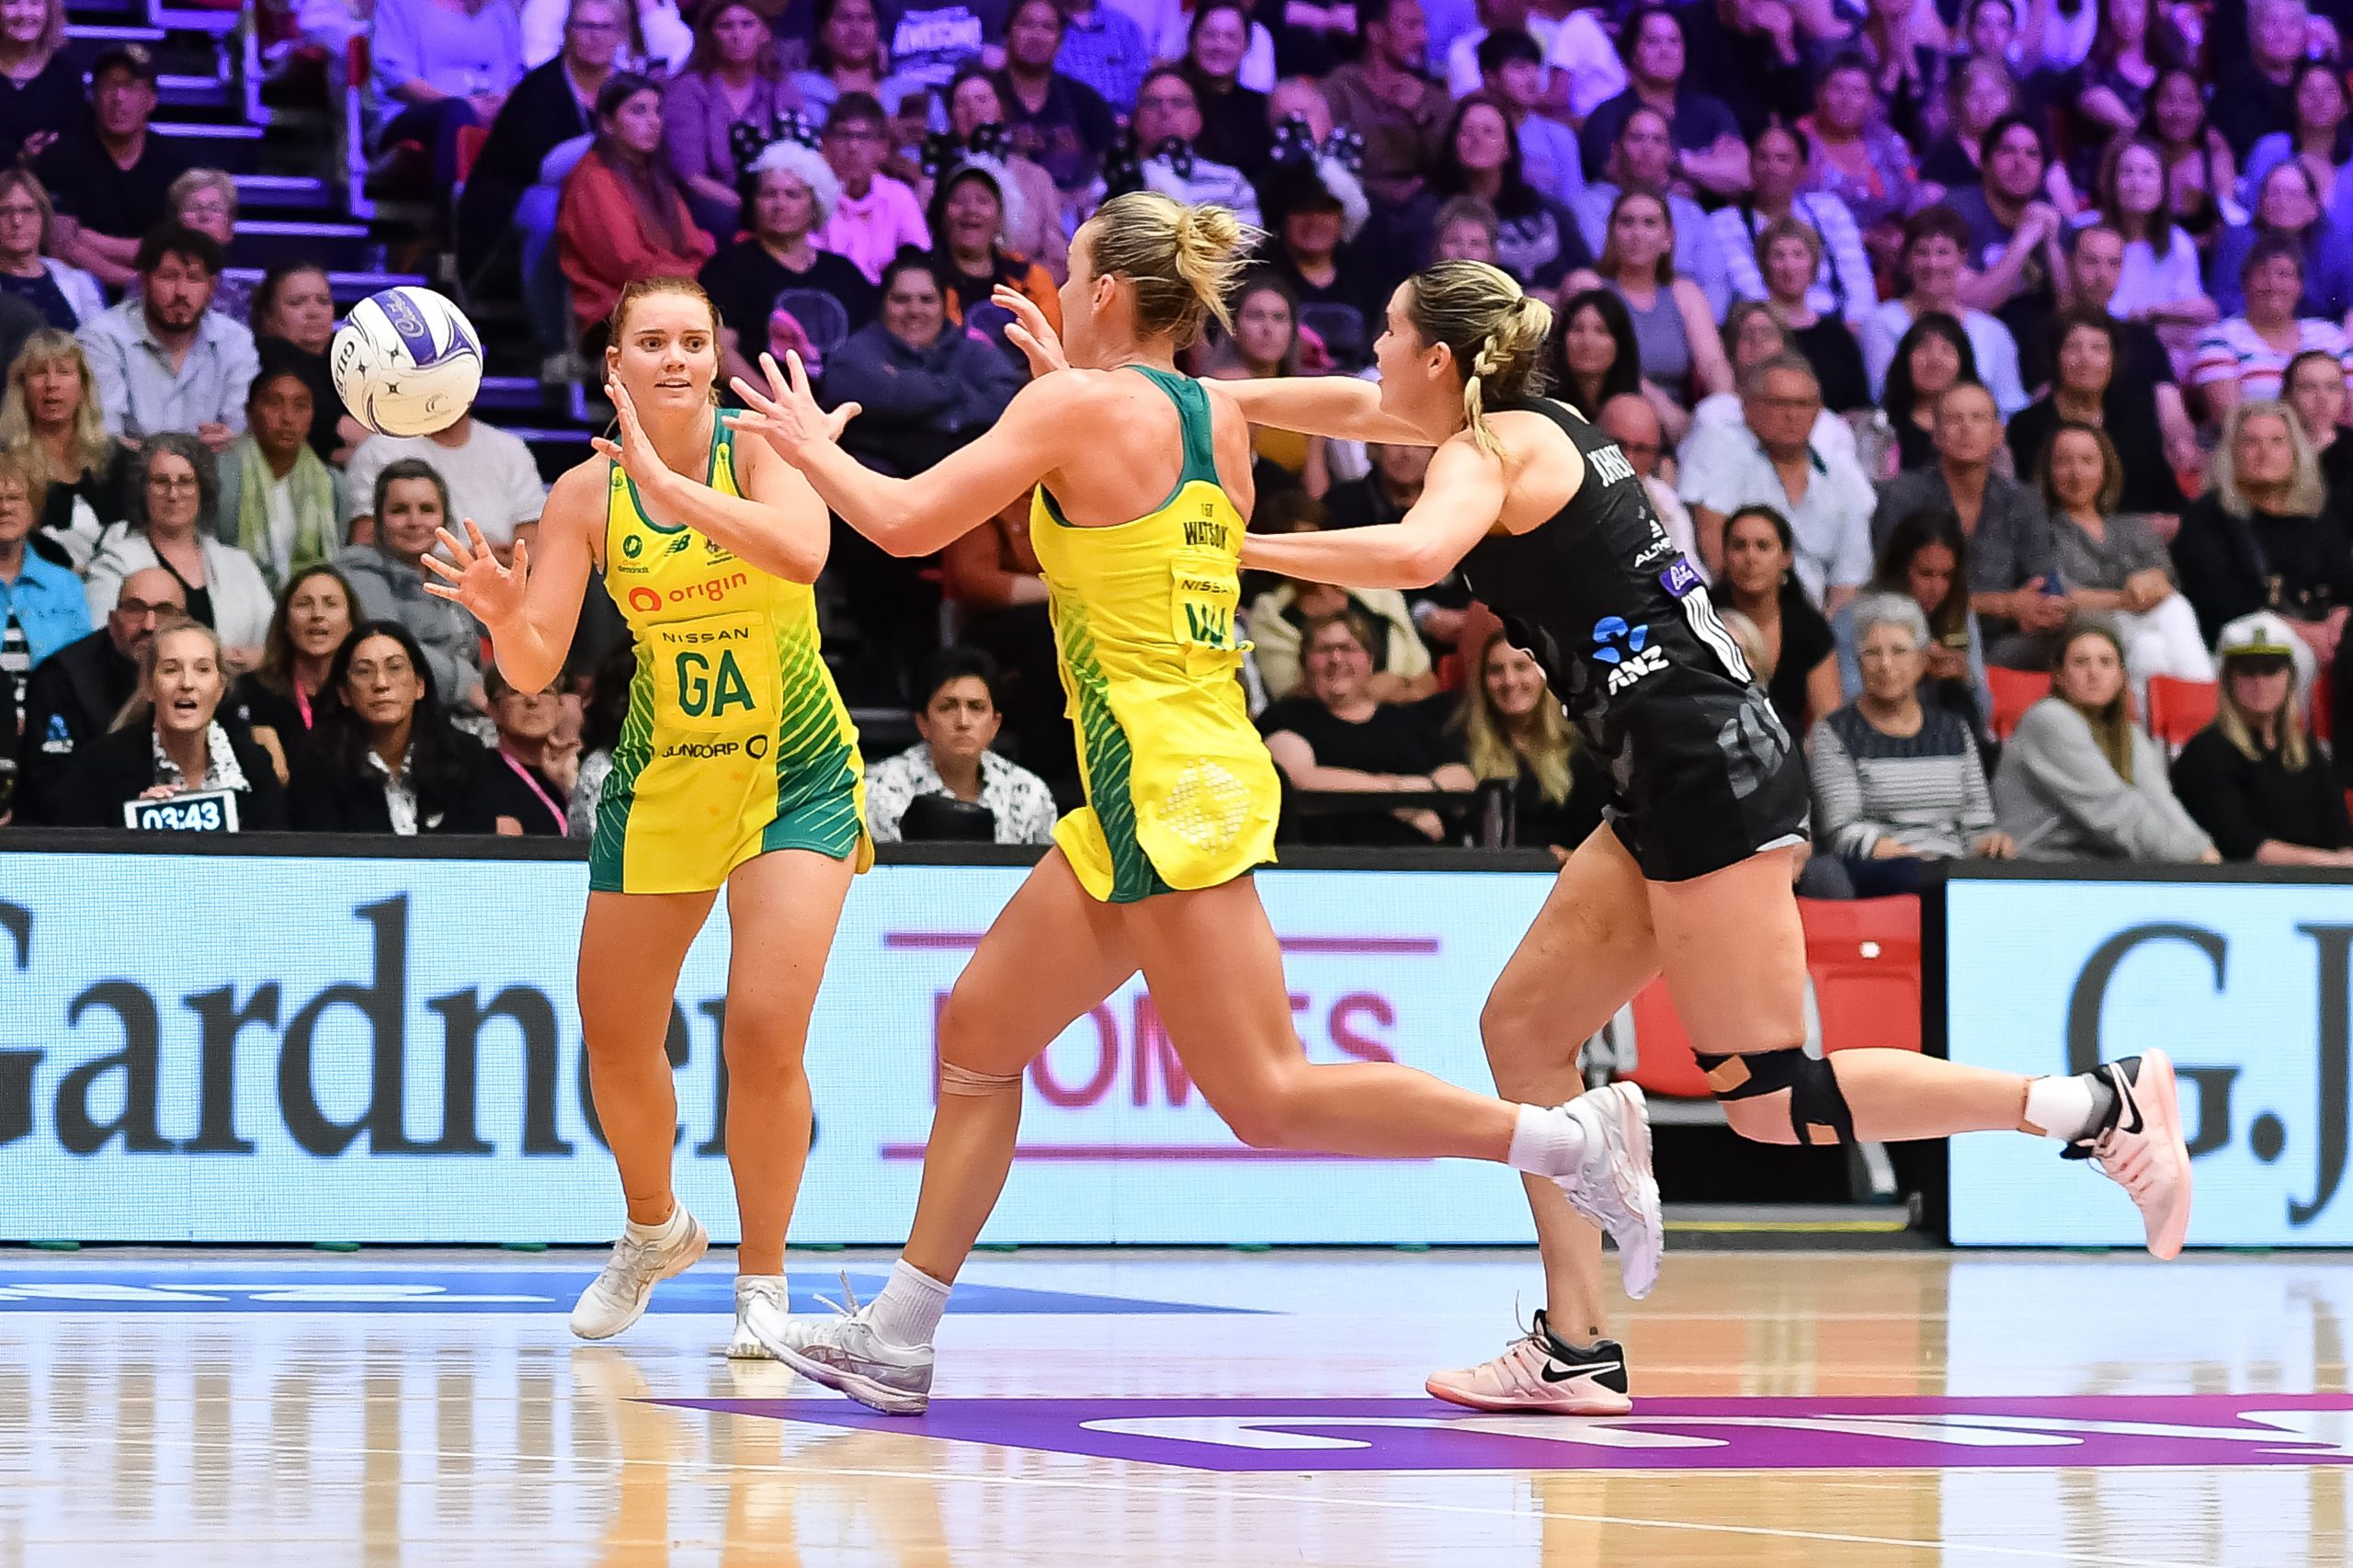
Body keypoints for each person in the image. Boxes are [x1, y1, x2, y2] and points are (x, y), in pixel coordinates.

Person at [712, 198, 1665, 1413]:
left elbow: (904, 524)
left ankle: (1572, 1141)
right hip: (1163, 776)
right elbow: (1129, 492)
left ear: (1108, 288)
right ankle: (901, 1333)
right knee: (980, 1038)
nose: (1055, 289)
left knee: (1268, 1096)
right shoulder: (1210, 412)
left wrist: (802, 441)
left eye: (1068, 273)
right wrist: (1068, 391)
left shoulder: (1079, 406)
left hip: (1160, 781)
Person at [1217, 257, 2196, 1420]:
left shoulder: (1491, 454)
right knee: (1521, 1027)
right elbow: (1343, 400)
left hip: (1704, 774)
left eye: (1385, 333)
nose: (1370, 355)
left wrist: (1238, 550)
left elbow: (1415, 558)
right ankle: (1574, 1345)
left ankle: (2094, 1102)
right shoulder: (1525, 418)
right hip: (1670, 770)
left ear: (1439, 359)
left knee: (1774, 1096)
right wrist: (1204, 396)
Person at [420, 275, 873, 1358]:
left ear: (716, 358)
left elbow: (802, 551)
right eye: (651, 341)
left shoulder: (761, 447)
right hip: (665, 774)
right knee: (617, 1033)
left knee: (764, 1029)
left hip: (795, 774)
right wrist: (498, 615)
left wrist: (670, 477)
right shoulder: (584, 495)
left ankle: (761, 1277)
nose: (675, 357)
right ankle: (654, 1226)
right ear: (613, 362)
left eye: (693, 340)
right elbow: (536, 662)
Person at [1808, 594, 2009, 897]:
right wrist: (1906, 854)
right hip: (1881, 867)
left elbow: (1977, 821)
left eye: (1899, 651)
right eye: (1873, 653)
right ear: (1859, 662)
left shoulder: (1953, 729)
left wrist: (1989, 843)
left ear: (1922, 659)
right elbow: (1843, 829)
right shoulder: (1834, 732)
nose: (1885, 665)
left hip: (1951, 867)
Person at [1872, 381, 2069, 668]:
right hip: (1919, 631)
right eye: (1954, 419)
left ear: (1997, 433)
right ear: (1936, 434)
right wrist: (2004, 605)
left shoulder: (2023, 500)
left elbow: (2040, 583)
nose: (1966, 428)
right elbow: (1895, 592)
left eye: (1978, 418)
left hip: (2006, 640)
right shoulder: (1900, 496)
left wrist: (2041, 609)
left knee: (2078, 637)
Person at [1993, 620, 2219, 862]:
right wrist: (2193, 854)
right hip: (2032, 869)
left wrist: (2203, 850)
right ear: (2058, 676)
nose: (2094, 673)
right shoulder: (2049, 719)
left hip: (2095, 868)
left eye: (2106, 662)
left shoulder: (2129, 733)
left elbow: (2159, 799)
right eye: (2080, 662)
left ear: (2121, 676)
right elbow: (2114, 812)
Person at [1258, 610, 1472, 845]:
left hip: (1419, 865)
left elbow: (1462, 777)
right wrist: (1400, 797)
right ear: (1304, 662)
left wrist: (1420, 789)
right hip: (1328, 864)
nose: (1336, 659)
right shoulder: (1287, 717)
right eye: (1323, 650)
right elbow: (1300, 779)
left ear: (1370, 661)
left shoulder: (1406, 718)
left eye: (1348, 648)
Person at [1678, 354, 1873, 602]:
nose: (1792, 415)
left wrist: (1821, 636)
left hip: (1818, 626)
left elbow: (1849, 581)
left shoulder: (1842, 477)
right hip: (1738, 611)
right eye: (1778, 403)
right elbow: (1714, 547)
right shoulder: (1720, 447)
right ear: (1747, 406)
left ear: (1818, 411)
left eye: (1803, 404)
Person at [61, 617, 289, 829]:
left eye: (202, 669)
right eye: (171, 670)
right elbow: (79, 861)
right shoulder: (100, 765)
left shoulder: (253, 765)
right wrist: (129, 833)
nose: (187, 683)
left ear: (220, 688)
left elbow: (276, 861)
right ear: (149, 686)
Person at [289, 620, 515, 834]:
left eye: (395, 668)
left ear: (419, 685)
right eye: (364, 671)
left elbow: (477, 858)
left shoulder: (466, 756)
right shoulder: (317, 765)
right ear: (345, 693)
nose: (381, 684)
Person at [454, 0, 620, 285]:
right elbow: (537, 170)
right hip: (514, 209)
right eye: (585, 27)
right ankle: (556, 328)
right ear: (567, 33)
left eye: (606, 27)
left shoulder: (626, 91)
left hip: (601, 199)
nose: (596, 36)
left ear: (620, 36)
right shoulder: (538, 90)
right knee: (549, 210)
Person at [2037, 421, 2211, 686]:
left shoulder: (2134, 528)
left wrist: (2150, 585)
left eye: (2087, 461)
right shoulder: (2041, 531)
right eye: (2063, 462)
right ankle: (2205, 703)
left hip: (2143, 626)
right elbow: (2061, 596)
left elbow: (2164, 581)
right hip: (2081, 631)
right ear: (2048, 472)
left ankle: (2166, 721)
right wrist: (2126, 600)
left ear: (2105, 469)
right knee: (2172, 611)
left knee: (2150, 644)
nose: (2076, 473)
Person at [2172, 399, 2353, 655]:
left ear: (2295, 451)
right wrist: (2305, 633)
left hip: (2323, 634)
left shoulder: (2319, 513)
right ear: (2232, 453)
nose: (2265, 453)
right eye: (2251, 443)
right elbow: (2218, 604)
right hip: (2244, 642)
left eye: (2277, 441)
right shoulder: (2207, 515)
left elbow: (2345, 583)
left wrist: (2342, 615)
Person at [2173, 610, 2353, 864]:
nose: (2259, 682)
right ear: (2228, 679)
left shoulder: (2305, 750)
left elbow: (2340, 831)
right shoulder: (2205, 754)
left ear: (2290, 676)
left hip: (2318, 885)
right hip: (2246, 888)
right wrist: (2328, 863)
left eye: (2271, 669)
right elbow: (2241, 843)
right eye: (2247, 671)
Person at [821, 253, 1023, 478]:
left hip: (965, 487)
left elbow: (1009, 400)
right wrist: (956, 392)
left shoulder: (972, 349)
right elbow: (848, 390)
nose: (914, 311)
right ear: (882, 303)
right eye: (900, 299)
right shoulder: (855, 352)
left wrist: (904, 420)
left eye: (927, 300)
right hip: (880, 490)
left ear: (944, 305)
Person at [85, 433, 272, 671]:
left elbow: (274, 642)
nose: (173, 494)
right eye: (161, 481)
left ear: (202, 489)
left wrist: (257, 658)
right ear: (143, 490)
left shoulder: (239, 564)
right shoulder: (114, 563)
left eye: (185, 481)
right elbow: (101, 643)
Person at [13, 563, 184, 821]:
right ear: (112, 622)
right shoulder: (61, 678)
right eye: (135, 609)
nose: (149, 625)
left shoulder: (204, 680)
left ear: (187, 624)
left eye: (164, 612)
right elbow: (52, 794)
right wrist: (133, 808)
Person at [558, 74, 717, 350]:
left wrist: (710, 273)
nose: (654, 121)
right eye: (638, 111)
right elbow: (629, 265)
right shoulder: (593, 179)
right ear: (607, 123)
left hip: (670, 297)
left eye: (657, 111)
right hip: (613, 313)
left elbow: (694, 244)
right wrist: (701, 277)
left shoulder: (655, 176)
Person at [74, 222, 259, 451]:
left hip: (212, 475)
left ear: (211, 287)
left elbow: (239, 429)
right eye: (169, 277)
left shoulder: (236, 340)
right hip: (127, 476)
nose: (181, 291)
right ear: (144, 282)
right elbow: (106, 436)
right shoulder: (102, 336)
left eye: (193, 278)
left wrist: (231, 436)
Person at [864, 645, 1058, 843]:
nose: (963, 722)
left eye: (977, 707)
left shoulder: (1029, 793)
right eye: (947, 707)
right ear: (923, 723)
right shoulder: (879, 791)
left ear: (994, 725)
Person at [34, 44, 189, 290]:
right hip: (82, 288)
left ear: (151, 99)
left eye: (131, 87)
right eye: (108, 86)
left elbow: (184, 246)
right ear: (93, 96)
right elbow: (61, 245)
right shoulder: (61, 156)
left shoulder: (175, 161)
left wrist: (89, 239)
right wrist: (136, 283)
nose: (118, 98)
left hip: (162, 288)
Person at [2006, 308, 2183, 517]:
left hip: (2140, 541)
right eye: (2073, 348)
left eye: (2098, 349)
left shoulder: (2137, 415)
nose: (2086, 359)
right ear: (2056, 357)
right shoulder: (2027, 425)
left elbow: (2166, 494)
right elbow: (2034, 507)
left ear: (2113, 360)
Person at [337, 459, 487, 704]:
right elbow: (390, 647)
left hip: (468, 712)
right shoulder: (360, 574)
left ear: (444, 519)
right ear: (378, 520)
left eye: (427, 509)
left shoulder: (447, 574)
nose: (414, 521)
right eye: (399, 510)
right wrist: (463, 684)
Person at [1833, 507, 1995, 733]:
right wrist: (1910, 669)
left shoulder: (1960, 616)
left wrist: (1965, 677)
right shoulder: (1856, 618)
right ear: (1901, 568)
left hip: (1949, 739)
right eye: (1926, 574)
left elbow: (1985, 717)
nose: (1936, 588)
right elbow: (1847, 702)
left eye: (1946, 576)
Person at [1861, 205, 2029, 416]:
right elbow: (1883, 398)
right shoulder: (1881, 322)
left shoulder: (1993, 332)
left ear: (1962, 257)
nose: (1932, 264)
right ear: (1907, 260)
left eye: (1943, 252)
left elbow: (2011, 405)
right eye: (1922, 252)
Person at [1451, 625, 1604, 855]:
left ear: (1544, 675)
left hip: (1564, 879)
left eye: (1521, 667)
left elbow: (1604, 842)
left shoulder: (1584, 752)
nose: (1509, 681)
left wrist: (1573, 858)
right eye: (1495, 670)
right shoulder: (1460, 745)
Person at [1571, 107, 1731, 319]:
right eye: (1637, 138)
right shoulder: (1587, 206)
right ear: (1616, 148)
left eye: (1658, 140)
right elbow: (1605, 269)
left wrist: (1698, 325)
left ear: (1670, 153)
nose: (1647, 149)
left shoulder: (1690, 212)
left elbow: (1715, 280)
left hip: (1689, 323)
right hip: (1615, 323)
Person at [1419, 92, 1589, 292]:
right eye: (1466, 132)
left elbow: (1583, 273)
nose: (1477, 139)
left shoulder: (1547, 212)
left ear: (1508, 147)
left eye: (1488, 131)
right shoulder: (1427, 212)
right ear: (1453, 143)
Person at [1714, 124, 1876, 333]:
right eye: (1763, 158)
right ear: (1750, 165)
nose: (1771, 167)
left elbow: (1858, 278)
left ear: (1803, 170)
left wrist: (1854, 326)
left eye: (1783, 159)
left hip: (1839, 326)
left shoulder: (1829, 209)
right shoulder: (1726, 222)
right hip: (1771, 329)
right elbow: (1750, 290)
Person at [1950, 114, 2071, 389]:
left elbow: (2069, 311)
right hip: (1972, 340)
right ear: (1985, 162)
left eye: (2032, 154)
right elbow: (1969, 303)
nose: (2021, 163)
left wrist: (2052, 246)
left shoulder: (2052, 217)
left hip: (2039, 352)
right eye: (2007, 151)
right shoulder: (1957, 213)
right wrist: (2024, 240)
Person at [663, 0, 801, 240]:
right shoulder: (688, 90)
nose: (737, 35)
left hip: (773, 198)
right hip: (712, 207)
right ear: (710, 35)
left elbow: (801, 160)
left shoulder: (782, 92)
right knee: (721, 214)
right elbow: (690, 176)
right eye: (725, 26)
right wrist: (749, 206)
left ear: (764, 33)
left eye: (747, 25)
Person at [1576, 6, 1745, 199]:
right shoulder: (1607, 115)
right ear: (1632, 51)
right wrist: (1706, 171)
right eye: (1653, 41)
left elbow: (1741, 176)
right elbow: (1622, 177)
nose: (1665, 51)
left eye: (1674, 41)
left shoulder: (1712, 110)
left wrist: (1676, 160)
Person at [369, 0, 528, 199]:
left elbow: (516, 79)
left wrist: (502, 105)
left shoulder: (501, 12)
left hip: (493, 116)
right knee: (457, 114)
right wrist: (466, 105)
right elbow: (400, 82)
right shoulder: (400, 5)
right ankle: (455, 218)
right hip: (416, 117)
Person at [1711, 501, 1839, 738]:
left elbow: (1827, 720)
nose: (1750, 557)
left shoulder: (1809, 628)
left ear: (1786, 557)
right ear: (1725, 556)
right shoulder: (1700, 618)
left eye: (1763, 546)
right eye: (1739, 546)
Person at [217, 358, 346, 593]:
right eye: (274, 403)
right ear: (249, 411)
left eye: (300, 406)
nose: (287, 418)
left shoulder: (332, 484)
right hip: (237, 600)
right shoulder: (219, 476)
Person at [1596, 188, 1730, 411]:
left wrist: (1725, 408)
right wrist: (1664, 410)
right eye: (1627, 222)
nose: (1637, 234)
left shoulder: (1685, 293)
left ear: (1668, 238)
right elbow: (1614, 366)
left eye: (1650, 223)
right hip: (1610, 412)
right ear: (1611, 233)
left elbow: (1713, 363)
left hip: (1676, 425)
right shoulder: (1590, 286)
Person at [2192, 237, 2353, 418]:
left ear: (2299, 286)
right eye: (2262, 273)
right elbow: (2228, 418)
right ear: (2244, 283)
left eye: (2284, 274)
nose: (2273, 284)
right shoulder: (2219, 338)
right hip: (2256, 444)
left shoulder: (2328, 334)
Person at [939, 62, 1079, 267]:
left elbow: (1057, 258)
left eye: (982, 100)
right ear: (951, 117)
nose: (973, 110)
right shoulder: (936, 178)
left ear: (1001, 109)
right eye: (961, 103)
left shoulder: (1036, 177)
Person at [342, 411, 547, 550]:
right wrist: (465, 565)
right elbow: (365, 545)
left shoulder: (511, 449)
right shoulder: (378, 450)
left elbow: (532, 541)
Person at [1319, 0, 1451, 204]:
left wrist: (1420, 114)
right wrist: (1381, 191)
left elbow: (1452, 167)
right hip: (1354, 204)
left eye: (1423, 27)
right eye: (1411, 25)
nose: (1422, 37)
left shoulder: (1432, 96)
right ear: (1376, 32)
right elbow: (1325, 162)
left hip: (1423, 206)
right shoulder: (1340, 88)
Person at [2095, 136, 2218, 349]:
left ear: (2164, 184)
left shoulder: (2178, 241)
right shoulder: (2089, 231)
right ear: (2112, 182)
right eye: (2127, 172)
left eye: (2147, 173)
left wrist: (2148, 312)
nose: (2136, 184)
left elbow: (2200, 312)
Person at [1205, 276, 1322, 489]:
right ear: (1234, 328)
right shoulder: (1218, 391)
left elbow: (1316, 493)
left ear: (1293, 330)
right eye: (1255, 316)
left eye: (1279, 318)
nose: (1268, 328)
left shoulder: (1304, 398)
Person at [230, 562, 357, 749]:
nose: (318, 615)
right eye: (304, 604)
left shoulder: (364, 691)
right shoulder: (249, 692)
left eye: (331, 604)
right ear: (285, 622)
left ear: (351, 622)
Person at [998, 0, 1116, 199]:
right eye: (1026, 24)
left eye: (1047, 27)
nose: (1036, 36)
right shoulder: (984, 94)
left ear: (1060, 40)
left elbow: (1108, 167)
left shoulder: (1086, 101)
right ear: (1007, 33)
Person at [926, 158, 1061, 333]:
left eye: (982, 201)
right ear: (941, 214)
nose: (970, 209)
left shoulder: (1032, 280)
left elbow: (1050, 345)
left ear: (1001, 218)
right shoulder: (924, 280)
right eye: (958, 201)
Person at [1801, 53, 1920, 248]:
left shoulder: (1888, 141)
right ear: (1819, 94)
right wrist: (1864, 238)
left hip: (1889, 251)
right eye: (1837, 89)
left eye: (1857, 91)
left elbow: (1912, 199)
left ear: (1871, 100)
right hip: (1817, 248)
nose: (1846, 100)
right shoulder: (1798, 141)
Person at [0, 449, 85, 720]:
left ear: (33, 508)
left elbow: (83, 668)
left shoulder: (66, 585)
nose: (5, 507)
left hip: (52, 731)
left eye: (15, 498)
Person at [250, 264, 365, 463]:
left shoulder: (353, 352)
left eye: (323, 301)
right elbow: (342, 430)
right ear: (268, 315)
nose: (314, 312)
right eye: (297, 303)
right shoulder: (263, 353)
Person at [2211, 160, 2353, 321]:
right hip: (2251, 331)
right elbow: (2227, 302)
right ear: (2261, 202)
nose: (2283, 202)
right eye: (2274, 193)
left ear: (2313, 206)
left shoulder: (2333, 243)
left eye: (2293, 195)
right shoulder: (2238, 240)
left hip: (2320, 337)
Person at [813, 93, 931, 284]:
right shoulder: (811, 196)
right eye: (844, 136)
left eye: (864, 137)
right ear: (825, 144)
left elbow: (918, 260)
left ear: (883, 149)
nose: (853, 146)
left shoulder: (899, 196)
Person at [1756, 220, 1870, 416]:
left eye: (1798, 254)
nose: (1789, 266)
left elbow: (1861, 404)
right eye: (1778, 256)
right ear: (1764, 265)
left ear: (1813, 263)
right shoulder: (1754, 331)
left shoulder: (1837, 335)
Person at [0, 168, 103, 330]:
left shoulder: (80, 283)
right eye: (4, 212)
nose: (17, 221)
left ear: (44, 216)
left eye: (28, 210)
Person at [480, 664, 575, 835]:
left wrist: (571, 786)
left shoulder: (578, 771)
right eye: (516, 691)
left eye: (545, 691)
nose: (533, 700)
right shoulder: (480, 775)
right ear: (493, 710)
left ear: (560, 708)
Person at [791, 0, 926, 122]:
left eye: (865, 19)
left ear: (878, 28)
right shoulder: (798, 90)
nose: (856, 29)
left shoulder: (913, 94)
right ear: (823, 31)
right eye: (844, 18)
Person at [1880, 312, 1978, 473]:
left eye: (1946, 349)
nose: (1934, 360)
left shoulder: (1980, 431)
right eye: (1923, 348)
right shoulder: (1880, 429)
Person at [0, 0, 79, 171]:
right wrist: (19, 157)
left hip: (50, 190)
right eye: (11, 3)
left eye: (34, 3)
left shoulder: (67, 74)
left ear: (49, 11)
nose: (24, 13)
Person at [165, 169, 250, 324]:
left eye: (214, 208)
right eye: (194, 207)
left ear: (230, 228)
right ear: (175, 225)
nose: (204, 216)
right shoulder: (147, 284)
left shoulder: (242, 297)